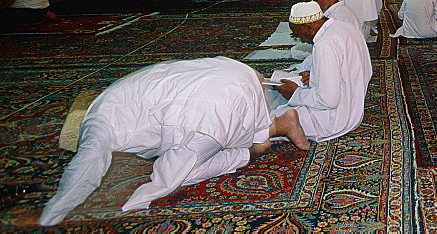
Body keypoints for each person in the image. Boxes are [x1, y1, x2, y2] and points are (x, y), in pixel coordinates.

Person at [38, 56, 309, 226]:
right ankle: (273, 123)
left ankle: (264, 139)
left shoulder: (98, 127)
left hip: (211, 113)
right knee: (226, 125)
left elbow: (87, 165)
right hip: (232, 71)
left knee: (183, 172)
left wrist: (54, 212)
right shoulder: (107, 99)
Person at [271, 2, 373, 143]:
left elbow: (328, 100)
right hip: (353, 110)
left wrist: (295, 93)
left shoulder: (325, 43)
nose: (301, 40)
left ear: (307, 27)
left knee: (263, 122)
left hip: (331, 119)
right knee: (275, 98)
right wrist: (316, 75)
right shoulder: (345, 27)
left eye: (297, 35)